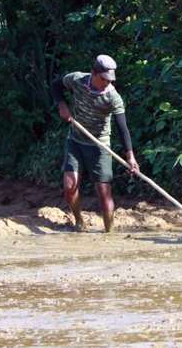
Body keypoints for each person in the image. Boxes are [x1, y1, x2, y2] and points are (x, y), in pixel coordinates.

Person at [50, 55, 139, 233]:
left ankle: (109, 233)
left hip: (100, 147)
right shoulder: (77, 79)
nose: (107, 83)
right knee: (69, 186)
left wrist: (130, 157)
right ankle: (79, 222)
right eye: (104, 79)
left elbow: (122, 128)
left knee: (104, 192)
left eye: (110, 80)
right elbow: (55, 85)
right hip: (76, 142)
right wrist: (62, 105)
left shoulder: (113, 97)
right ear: (93, 74)